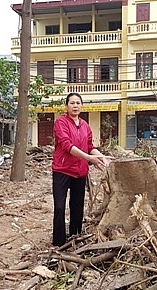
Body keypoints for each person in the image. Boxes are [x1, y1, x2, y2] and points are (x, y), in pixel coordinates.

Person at [51, 92, 114, 248]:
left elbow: (89, 146)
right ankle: (58, 243)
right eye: (72, 103)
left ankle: (75, 237)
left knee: (77, 206)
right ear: (66, 106)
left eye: (78, 103)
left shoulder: (85, 125)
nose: (75, 106)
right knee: (59, 206)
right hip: (62, 170)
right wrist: (89, 158)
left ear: (82, 106)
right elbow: (67, 145)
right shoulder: (61, 123)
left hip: (80, 171)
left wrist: (101, 156)